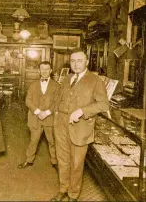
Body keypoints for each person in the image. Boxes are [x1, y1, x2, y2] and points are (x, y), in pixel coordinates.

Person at [51, 49, 109, 202]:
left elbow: (103, 105)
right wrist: (56, 113)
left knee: (76, 163)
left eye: (79, 61)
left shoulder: (95, 81)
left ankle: (73, 194)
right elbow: (58, 98)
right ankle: (63, 189)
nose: (76, 64)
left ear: (87, 62)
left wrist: (82, 111)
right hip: (61, 125)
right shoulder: (67, 78)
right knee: (62, 160)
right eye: (73, 61)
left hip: (80, 127)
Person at [18, 61, 60, 170]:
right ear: (39, 71)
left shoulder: (56, 86)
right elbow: (28, 100)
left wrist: (46, 113)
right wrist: (38, 112)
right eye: (42, 69)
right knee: (33, 141)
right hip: (35, 118)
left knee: (52, 141)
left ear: (51, 71)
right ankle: (29, 160)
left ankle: (55, 162)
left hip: (50, 118)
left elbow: (58, 102)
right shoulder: (33, 85)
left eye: (47, 69)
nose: (45, 71)